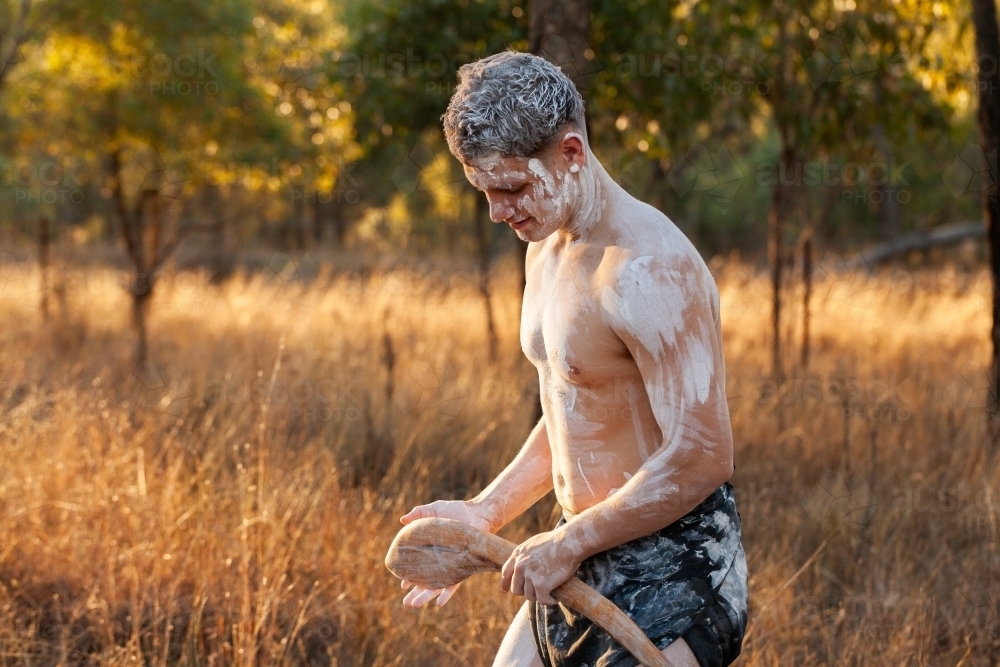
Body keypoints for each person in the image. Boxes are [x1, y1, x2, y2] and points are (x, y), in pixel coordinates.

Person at [398, 50, 748, 667]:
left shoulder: (648, 268)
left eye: (510, 188)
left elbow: (703, 455)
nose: (497, 211)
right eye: (484, 191)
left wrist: (568, 541)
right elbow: (577, 405)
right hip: (577, 548)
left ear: (571, 154)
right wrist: (487, 513)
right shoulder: (547, 246)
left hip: (677, 563)